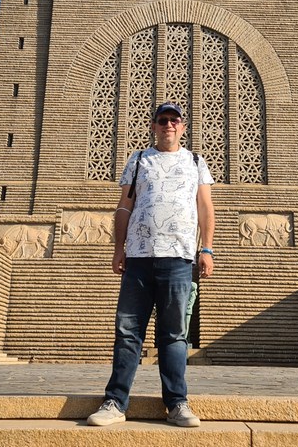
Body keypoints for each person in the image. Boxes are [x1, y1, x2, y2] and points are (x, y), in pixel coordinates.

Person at [87, 101, 216, 428]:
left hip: (179, 258)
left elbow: (205, 207)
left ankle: (177, 403)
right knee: (128, 332)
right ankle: (115, 402)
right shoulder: (139, 159)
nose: (168, 125)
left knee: (174, 335)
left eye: (174, 120)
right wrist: (119, 248)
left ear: (183, 126)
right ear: (154, 126)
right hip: (139, 259)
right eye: (163, 120)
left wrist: (208, 249)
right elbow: (124, 207)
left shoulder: (196, 161)